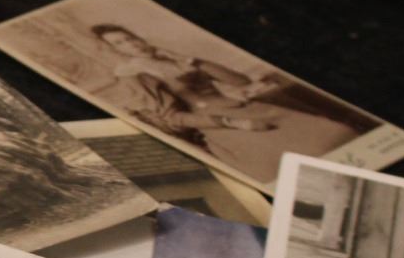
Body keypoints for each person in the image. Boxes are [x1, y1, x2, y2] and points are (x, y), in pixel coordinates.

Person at [88, 24, 353, 183]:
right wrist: (234, 123)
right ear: (114, 50)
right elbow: (173, 118)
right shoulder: (133, 74)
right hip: (222, 125)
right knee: (305, 160)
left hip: (249, 108)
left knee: (339, 134)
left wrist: (193, 61)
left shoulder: (171, 58)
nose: (131, 43)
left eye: (130, 36)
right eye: (120, 42)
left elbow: (238, 81)